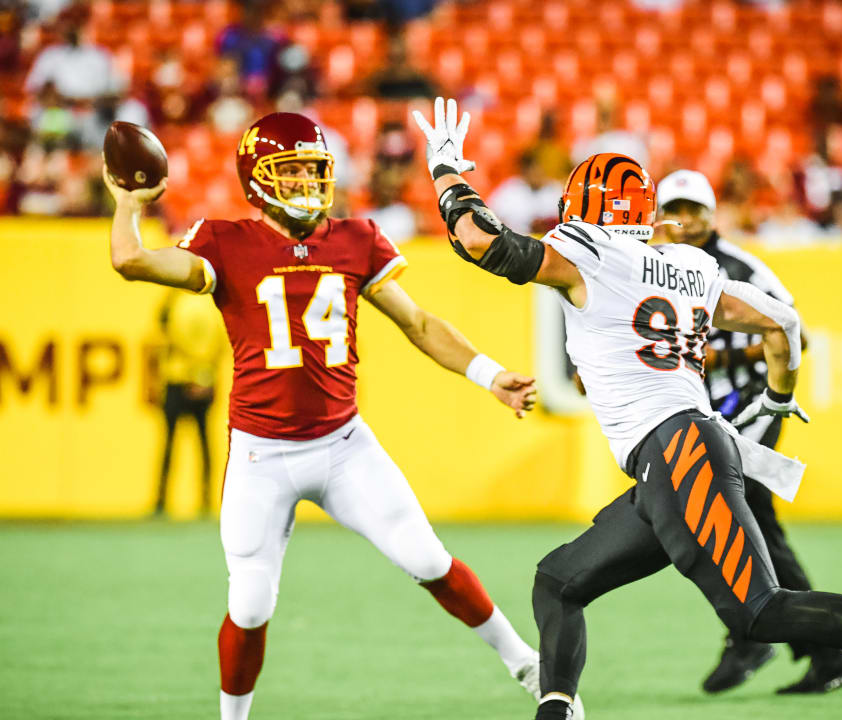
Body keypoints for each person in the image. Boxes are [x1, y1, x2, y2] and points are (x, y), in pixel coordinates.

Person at [413, 97, 842, 720]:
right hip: (671, 458)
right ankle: (558, 710)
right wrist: (779, 396)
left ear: (581, 209)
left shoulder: (587, 254)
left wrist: (447, 167)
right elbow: (781, 322)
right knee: (559, 582)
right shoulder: (692, 264)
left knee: (760, 613)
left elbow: (479, 238)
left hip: (677, 451)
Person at [102, 111, 567, 720]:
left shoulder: (355, 238)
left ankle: (528, 666)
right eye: (287, 170)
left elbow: (419, 324)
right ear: (257, 178)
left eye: (310, 169)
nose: (303, 182)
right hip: (261, 454)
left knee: (429, 559)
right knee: (249, 604)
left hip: (343, 445)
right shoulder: (225, 241)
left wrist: (488, 374)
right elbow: (130, 260)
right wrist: (126, 203)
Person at [655, 169, 842, 695]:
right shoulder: (653, 265)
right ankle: (815, 650)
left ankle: (756, 635)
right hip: (702, 412)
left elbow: (798, 334)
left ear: (712, 213)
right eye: (675, 209)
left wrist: (716, 349)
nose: (686, 220)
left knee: (738, 519)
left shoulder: (742, 268)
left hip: (752, 409)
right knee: (748, 526)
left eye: (695, 208)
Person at [152, 289, 227, 517]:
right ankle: (206, 501)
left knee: (170, 444)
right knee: (204, 444)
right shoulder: (214, 304)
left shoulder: (175, 301)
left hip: (176, 379)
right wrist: (204, 374)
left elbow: (165, 334)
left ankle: (161, 501)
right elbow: (221, 343)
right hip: (205, 379)